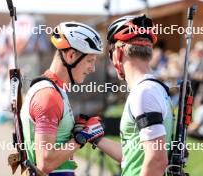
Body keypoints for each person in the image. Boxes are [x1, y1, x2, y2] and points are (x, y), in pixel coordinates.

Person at [78, 14, 174, 176]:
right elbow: (132, 157)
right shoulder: (153, 89)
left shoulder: (144, 93)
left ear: (117, 54)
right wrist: (95, 138)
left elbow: (156, 161)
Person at [20, 22, 105, 175]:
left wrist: (75, 132)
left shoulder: (54, 89)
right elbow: (45, 162)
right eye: (90, 61)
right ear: (71, 55)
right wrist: (81, 138)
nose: (93, 69)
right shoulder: (49, 95)